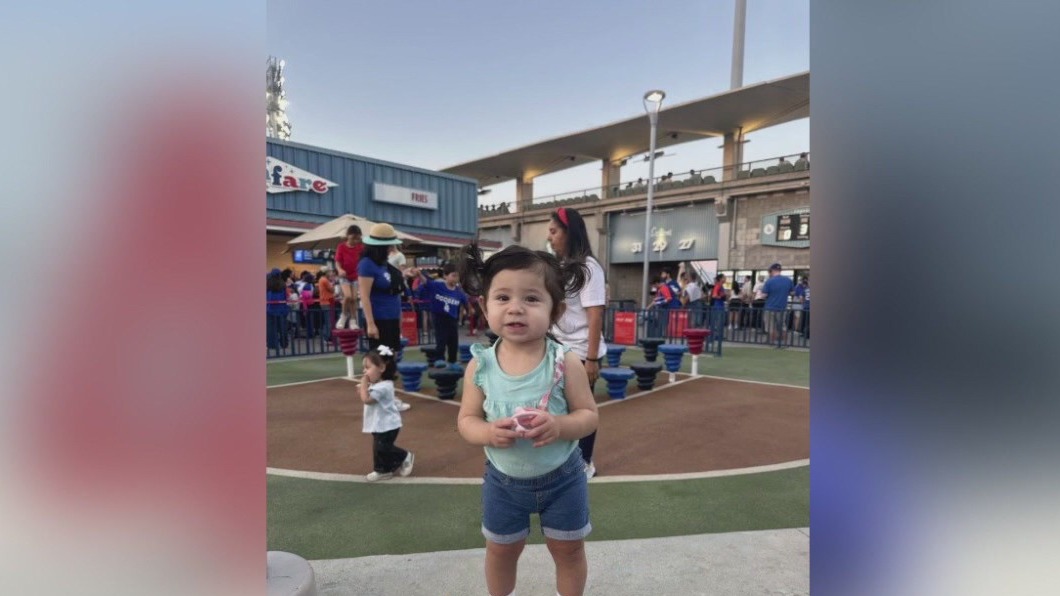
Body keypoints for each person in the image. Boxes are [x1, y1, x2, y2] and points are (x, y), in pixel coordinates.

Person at [457, 243, 599, 596]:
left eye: (532, 299)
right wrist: (488, 431)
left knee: (568, 550)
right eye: (502, 297)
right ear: (483, 305)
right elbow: (466, 420)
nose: (515, 308)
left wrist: (561, 426)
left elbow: (589, 416)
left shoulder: (566, 362)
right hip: (503, 483)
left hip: (563, 478)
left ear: (556, 311)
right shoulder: (480, 365)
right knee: (501, 551)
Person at [547, 206, 607, 479]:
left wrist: (592, 359)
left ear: (569, 232)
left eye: (554, 231)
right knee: (558, 406)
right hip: (559, 347)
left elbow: (595, 315)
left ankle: (585, 462)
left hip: (583, 350)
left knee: (582, 408)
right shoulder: (560, 266)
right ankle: (564, 457)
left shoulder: (588, 267)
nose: (550, 237)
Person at [358, 224, 411, 410]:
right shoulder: (367, 264)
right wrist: (371, 324)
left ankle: (387, 395)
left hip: (391, 319)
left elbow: (394, 295)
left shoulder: (384, 265)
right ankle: (377, 394)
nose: (391, 248)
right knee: (380, 359)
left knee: (390, 358)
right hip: (379, 320)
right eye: (388, 245)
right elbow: (364, 295)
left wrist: (399, 320)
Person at [358, 346, 414, 482]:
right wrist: (365, 388)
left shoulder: (384, 387)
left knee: (383, 447)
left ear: (382, 368)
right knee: (378, 448)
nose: (364, 371)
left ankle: (405, 456)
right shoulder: (378, 384)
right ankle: (383, 470)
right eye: (364, 368)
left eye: (367, 367)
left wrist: (364, 385)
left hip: (388, 424)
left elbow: (367, 400)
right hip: (379, 423)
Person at [416, 263, 468, 370]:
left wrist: (468, 310)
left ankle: (452, 361)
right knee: (441, 339)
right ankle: (439, 359)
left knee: (453, 341)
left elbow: (465, 302)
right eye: (453, 275)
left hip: (452, 319)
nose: (456, 278)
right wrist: (418, 274)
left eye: (457, 276)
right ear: (445, 276)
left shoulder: (459, 292)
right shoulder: (437, 286)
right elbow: (425, 281)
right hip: (439, 317)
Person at [757, 263, 795, 348]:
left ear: (772, 271)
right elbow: (792, 293)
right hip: (782, 307)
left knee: (771, 326)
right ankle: (785, 343)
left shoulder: (769, 281)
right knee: (782, 326)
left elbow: (764, 295)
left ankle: (772, 343)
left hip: (770, 307)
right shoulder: (788, 280)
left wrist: (760, 294)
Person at [334, 225, 364, 330]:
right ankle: (343, 316)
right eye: (353, 239)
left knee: (354, 299)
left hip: (355, 276)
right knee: (348, 296)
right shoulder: (341, 247)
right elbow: (337, 262)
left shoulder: (361, 248)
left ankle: (353, 320)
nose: (355, 241)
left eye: (357, 239)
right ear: (347, 236)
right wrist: (340, 269)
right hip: (344, 276)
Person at [708, 273, 729, 338]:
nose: (725, 279)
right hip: (718, 306)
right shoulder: (718, 286)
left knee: (720, 321)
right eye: (724, 278)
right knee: (718, 321)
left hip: (720, 305)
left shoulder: (721, 286)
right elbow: (714, 295)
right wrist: (721, 297)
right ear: (720, 279)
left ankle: (719, 335)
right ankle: (716, 335)